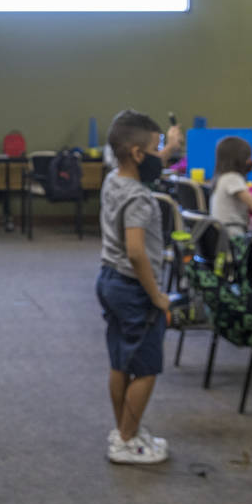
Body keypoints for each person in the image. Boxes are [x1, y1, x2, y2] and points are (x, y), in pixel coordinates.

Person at [98, 109, 183, 465]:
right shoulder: (140, 198)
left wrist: (170, 149)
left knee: (121, 361)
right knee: (146, 367)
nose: (160, 153)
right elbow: (136, 252)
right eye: (156, 146)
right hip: (135, 288)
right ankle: (127, 441)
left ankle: (123, 431)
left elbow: (145, 165)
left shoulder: (114, 180)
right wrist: (157, 296)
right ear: (137, 154)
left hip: (109, 280)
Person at [209, 135, 252, 237]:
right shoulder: (232, 178)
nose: (250, 161)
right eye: (248, 157)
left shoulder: (222, 177)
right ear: (239, 159)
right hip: (233, 235)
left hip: (222, 235)